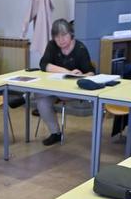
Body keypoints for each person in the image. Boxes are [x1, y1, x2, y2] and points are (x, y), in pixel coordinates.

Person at [36, 18, 95, 146]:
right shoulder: (52, 46)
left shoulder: (80, 48)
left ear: (71, 34)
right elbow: (43, 64)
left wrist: (82, 75)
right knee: (41, 100)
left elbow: (91, 72)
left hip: (72, 91)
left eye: (64, 35)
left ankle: (25, 97)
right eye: (57, 37)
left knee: (39, 94)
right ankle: (55, 133)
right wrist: (66, 72)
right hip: (54, 89)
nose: (60, 40)